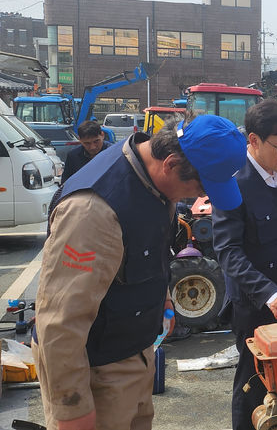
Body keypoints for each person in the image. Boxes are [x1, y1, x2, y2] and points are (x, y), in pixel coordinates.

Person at [33, 114, 247, 430]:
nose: (194, 198)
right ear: (171, 164)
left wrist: (162, 299)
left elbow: (147, 248)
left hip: (134, 353)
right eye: (197, 188)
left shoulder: (154, 180)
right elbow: (59, 323)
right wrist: (72, 409)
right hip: (94, 370)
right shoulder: (93, 213)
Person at [212, 99, 277, 430]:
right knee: (252, 383)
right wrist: (269, 292)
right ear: (253, 140)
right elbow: (228, 250)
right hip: (255, 305)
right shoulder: (233, 184)